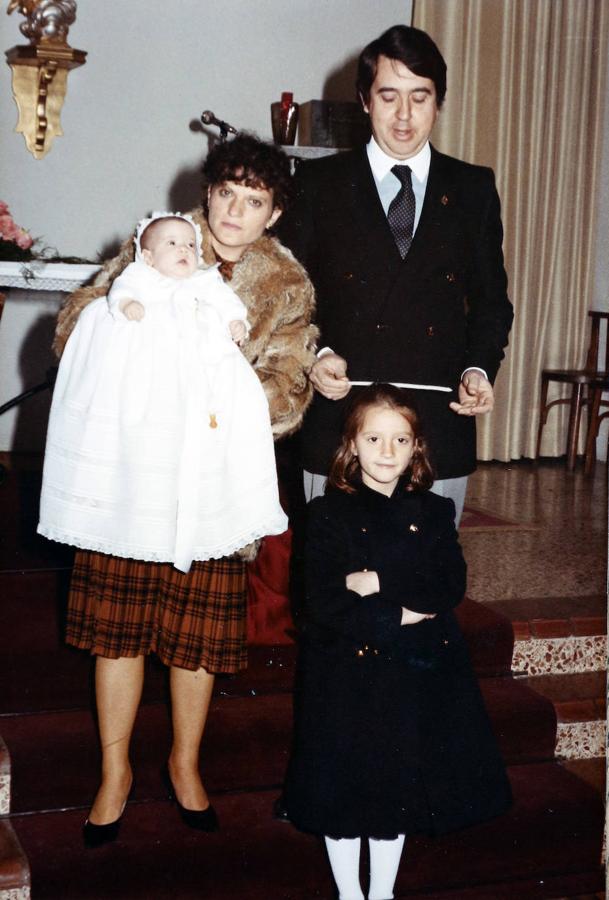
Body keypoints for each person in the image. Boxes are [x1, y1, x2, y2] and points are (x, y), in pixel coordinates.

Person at [49, 133, 318, 847]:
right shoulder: (158, 243)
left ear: (273, 214)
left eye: (252, 200)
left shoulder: (285, 286)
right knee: (118, 631)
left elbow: (288, 389)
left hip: (213, 485)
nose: (234, 210)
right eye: (225, 193)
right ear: (207, 193)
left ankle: (184, 763)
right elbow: (77, 322)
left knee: (195, 641)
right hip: (132, 477)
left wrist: (219, 400)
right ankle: (115, 774)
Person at [283, 384, 511, 900]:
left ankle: (381, 892)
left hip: (411, 672)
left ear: (416, 449)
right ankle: (349, 892)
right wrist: (402, 612)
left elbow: (447, 585)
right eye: (374, 438)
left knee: (395, 784)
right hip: (344, 670)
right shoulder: (325, 514)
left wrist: (378, 582)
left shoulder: (432, 511)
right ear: (351, 446)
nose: (387, 452)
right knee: (344, 787)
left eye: (400, 440)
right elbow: (321, 600)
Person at [279, 24, 514, 522]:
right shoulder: (318, 184)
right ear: (365, 100)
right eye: (389, 96)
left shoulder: (473, 188)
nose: (404, 116)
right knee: (334, 583)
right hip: (340, 419)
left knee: (427, 580)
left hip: (436, 422)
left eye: (420, 97)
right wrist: (315, 355)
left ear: (438, 102)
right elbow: (290, 298)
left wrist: (477, 370)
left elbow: (492, 301)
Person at [39, 211, 287, 572]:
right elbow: (119, 293)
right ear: (149, 256)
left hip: (200, 388)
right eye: (172, 243)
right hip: (146, 382)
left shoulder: (205, 281)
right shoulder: (139, 276)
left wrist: (236, 321)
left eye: (189, 244)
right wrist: (126, 305)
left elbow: (228, 303)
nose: (184, 249)